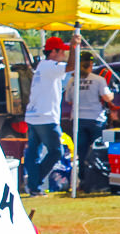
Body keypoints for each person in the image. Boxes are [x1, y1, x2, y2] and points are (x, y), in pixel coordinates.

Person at [24, 34, 81, 197]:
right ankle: (35, 182)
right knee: (56, 151)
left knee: (34, 152)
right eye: (62, 51)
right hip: (46, 117)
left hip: (34, 115)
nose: (63, 54)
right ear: (53, 52)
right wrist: (73, 47)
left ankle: (34, 185)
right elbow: (71, 67)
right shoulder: (49, 66)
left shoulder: (44, 66)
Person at [64, 52, 114, 183]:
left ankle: (84, 179)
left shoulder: (72, 80)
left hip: (78, 119)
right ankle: (98, 178)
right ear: (91, 64)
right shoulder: (99, 80)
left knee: (81, 152)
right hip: (96, 118)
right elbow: (107, 97)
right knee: (97, 150)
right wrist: (112, 93)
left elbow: (68, 100)